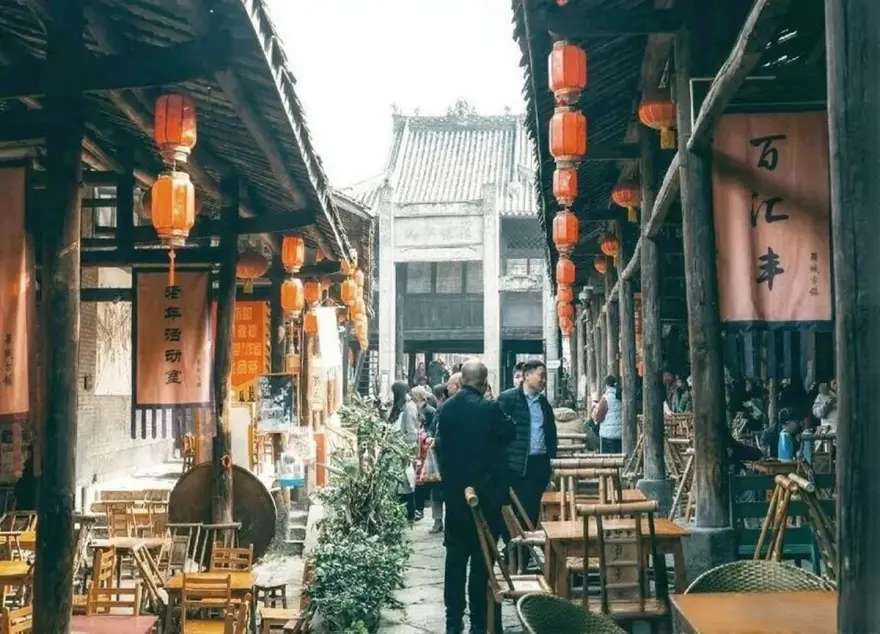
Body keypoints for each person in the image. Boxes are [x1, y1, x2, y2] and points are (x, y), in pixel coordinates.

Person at [435, 359, 514, 634]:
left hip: (455, 499)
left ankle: (453, 621)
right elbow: (510, 431)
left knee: (455, 562)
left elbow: (442, 449)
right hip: (486, 498)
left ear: (463, 379)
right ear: (484, 381)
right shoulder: (489, 408)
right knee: (482, 562)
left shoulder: (447, 410)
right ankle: (480, 623)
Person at [497, 359, 557, 529]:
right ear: (527, 375)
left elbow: (551, 436)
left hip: (538, 466)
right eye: (541, 376)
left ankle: (524, 553)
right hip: (514, 466)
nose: (544, 381)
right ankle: (514, 551)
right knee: (510, 513)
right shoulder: (507, 400)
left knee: (531, 511)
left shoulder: (544, 404)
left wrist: (550, 461)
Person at [388, 380, 420, 523]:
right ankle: (399, 513)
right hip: (396, 451)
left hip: (403, 452)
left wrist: (409, 453)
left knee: (406, 482)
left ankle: (409, 514)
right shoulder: (401, 406)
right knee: (398, 483)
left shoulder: (409, 406)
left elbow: (412, 432)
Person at [592, 375, 623, 454]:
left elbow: (599, 417)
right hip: (621, 433)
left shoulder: (606, 398)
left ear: (606, 385)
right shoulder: (621, 395)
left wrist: (594, 412)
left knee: (608, 461)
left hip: (607, 435)